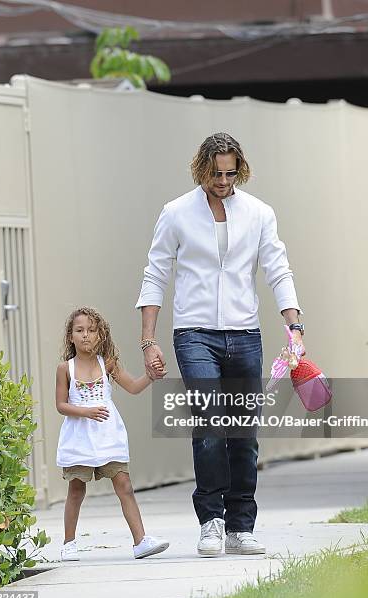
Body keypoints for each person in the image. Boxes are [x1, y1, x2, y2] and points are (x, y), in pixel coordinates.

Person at [136, 133, 305, 556]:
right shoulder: (176, 213)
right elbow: (155, 273)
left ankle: (240, 526)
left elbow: (277, 269)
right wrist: (148, 342)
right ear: (202, 170)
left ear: (240, 170)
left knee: (243, 433)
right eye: (216, 174)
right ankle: (210, 521)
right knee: (211, 425)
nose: (223, 181)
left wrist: (294, 326)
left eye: (231, 173)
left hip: (245, 334)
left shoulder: (259, 213)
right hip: (194, 334)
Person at [56, 306, 169, 561]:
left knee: (124, 485)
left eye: (92, 330)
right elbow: (61, 405)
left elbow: (133, 387)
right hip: (79, 439)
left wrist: (150, 376)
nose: (86, 335)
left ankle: (140, 541)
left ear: (101, 335)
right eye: (80, 330)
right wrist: (86, 412)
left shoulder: (108, 364)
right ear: (70, 336)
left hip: (108, 437)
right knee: (76, 490)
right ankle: (69, 543)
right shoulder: (65, 368)